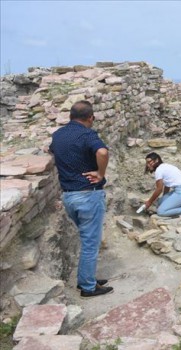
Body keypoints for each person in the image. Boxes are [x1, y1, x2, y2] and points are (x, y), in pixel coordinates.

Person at [49, 100, 113, 298]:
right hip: (88, 195)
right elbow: (102, 152)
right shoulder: (87, 134)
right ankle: (87, 286)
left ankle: (87, 278)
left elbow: (52, 151)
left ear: (70, 117)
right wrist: (100, 173)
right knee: (90, 243)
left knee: (87, 239)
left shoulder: (58, 135)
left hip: (69, 196)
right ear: (90, 117)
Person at [143, 152, 181, 219]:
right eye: (147, 163)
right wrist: (164, 199)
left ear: (156, 160)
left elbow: (159, 189)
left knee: (161, 211)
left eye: (149, 162)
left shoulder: (159, 170)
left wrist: (149, 202)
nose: (147, 165)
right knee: (159, 202)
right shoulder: (165, 166)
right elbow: (167, 185)